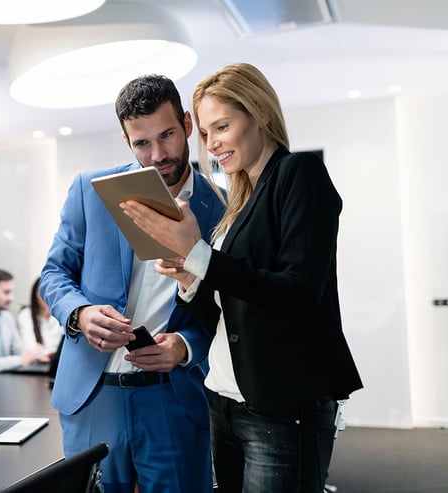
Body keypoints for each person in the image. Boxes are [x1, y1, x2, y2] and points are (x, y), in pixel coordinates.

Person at [120, 63, 363, 493]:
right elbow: (228, 312)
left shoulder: (299, 174)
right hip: (225, 398)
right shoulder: (238, 199)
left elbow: (300, 294)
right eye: (207, 135)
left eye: (223, 127)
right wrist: (188, 276)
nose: (212, 145)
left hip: (283, 405)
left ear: (260, 115)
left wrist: (197, 255)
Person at [40, 74, 226, 493]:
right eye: (142, 143)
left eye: (167, 136)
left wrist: (187, 345)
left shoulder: (222, 208)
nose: (158, 154)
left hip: (173, 398)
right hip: (93, 395)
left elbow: (229, 305)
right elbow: (53, 273)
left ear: (187, 124)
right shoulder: (89, 190)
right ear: (126, 141)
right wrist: (80, 312)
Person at [17, 277, 63, 356]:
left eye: (50, 292)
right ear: (35, 295)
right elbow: (30, 348)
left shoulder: (61, 313)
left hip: (57, 361)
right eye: (41, 293)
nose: (46, 297)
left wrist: (42, 351)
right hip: (37, 363)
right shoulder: (25, 315)